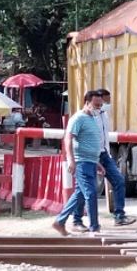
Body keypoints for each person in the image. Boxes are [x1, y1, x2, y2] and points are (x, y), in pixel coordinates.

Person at [71, 89, 136, 231]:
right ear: (88, 103)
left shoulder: (103, 115)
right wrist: (73, 159)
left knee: (118, 180)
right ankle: (77, 220)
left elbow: (104, 137)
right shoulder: (83, 117)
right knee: (83, 191)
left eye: (104, 103)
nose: (104, 105)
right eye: (101, 103)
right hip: (87, 157)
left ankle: (119, 216)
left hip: (104, 154)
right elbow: (71, 138)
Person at [51, 90, 106, 236]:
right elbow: (68, 139)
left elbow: (91, 142)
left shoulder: (92, 119)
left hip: (90, 162)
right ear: (87, 103)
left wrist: (96, 162)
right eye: (96, 105)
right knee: (91, 193)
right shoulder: (78, 118)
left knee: (80, 194)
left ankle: (60, 221)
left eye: (100, 105)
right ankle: (94, 227)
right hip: (81, 162)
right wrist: (71, 160)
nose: (98, 108)